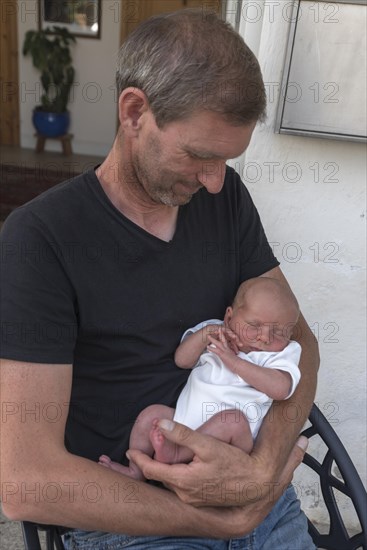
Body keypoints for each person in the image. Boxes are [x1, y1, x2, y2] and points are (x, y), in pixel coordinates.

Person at [1, 9, 319, 550]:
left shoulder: (226, 201)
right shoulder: (40, 239)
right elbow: (24, 480)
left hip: (255, 498)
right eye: (199, 155)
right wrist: (216, 521)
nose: (215, 182)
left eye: (226, 160)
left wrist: (259, 473)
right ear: (133, 111)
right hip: (132, 519)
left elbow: (302, 342)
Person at [99, 277, 302, 480]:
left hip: (231, 442)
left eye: (278, 333)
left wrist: (234, 362)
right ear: (229, 317)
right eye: (254, 325)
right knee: (151, 415)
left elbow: (281, 389)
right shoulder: (215, 331)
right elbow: (182, 360)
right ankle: (136, 470)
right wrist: (207, 334)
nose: (265, 338)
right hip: (183, 421)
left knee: (233, 420)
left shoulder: (281, 354)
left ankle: (177, 454)